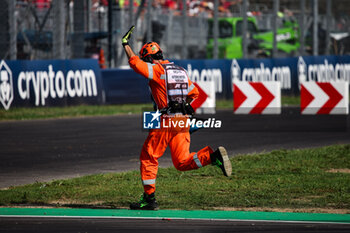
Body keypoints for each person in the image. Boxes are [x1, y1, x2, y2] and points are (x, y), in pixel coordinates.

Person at [122, 26, 232, 210]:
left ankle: (149, 199)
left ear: (149, 57)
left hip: (167, 120)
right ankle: (212, 157)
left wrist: (126, 44)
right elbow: (194, 93)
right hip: (182, 120)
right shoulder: (179, 70)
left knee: (149, 156)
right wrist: (182, 104)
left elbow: (135, 64)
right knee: (181, 162)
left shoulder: (156, 69)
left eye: (146, 59)